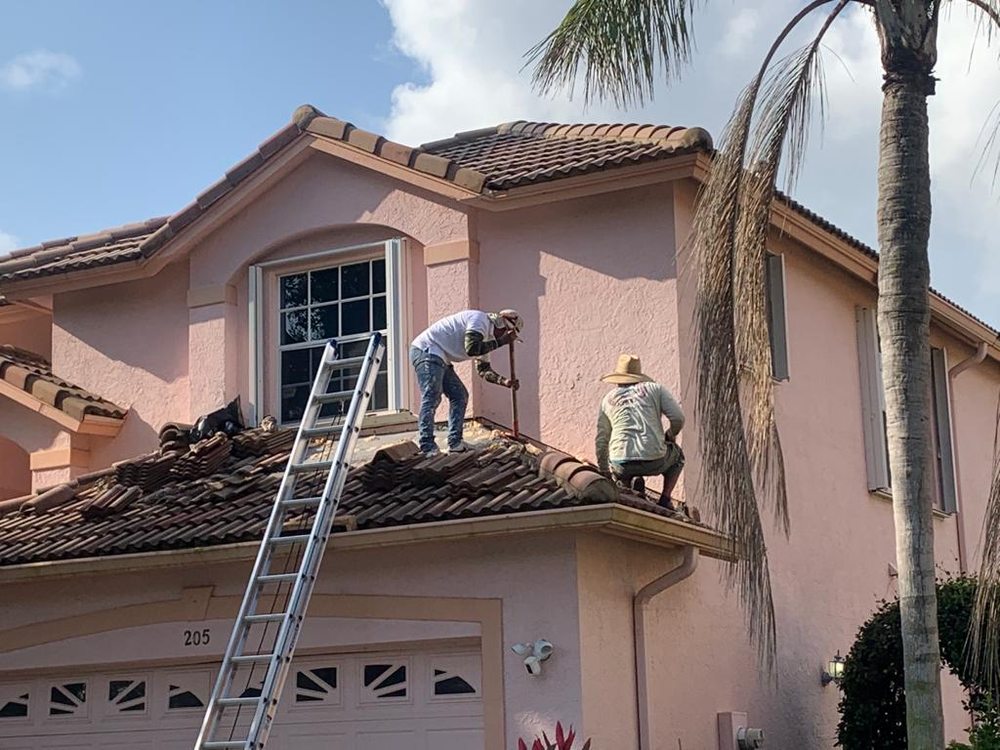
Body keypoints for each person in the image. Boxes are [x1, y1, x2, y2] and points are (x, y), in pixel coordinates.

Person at [410, 309, 523, 455]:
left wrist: (505, 382)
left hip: (441, 357)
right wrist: (502, 342)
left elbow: (483, 370)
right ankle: (427, 446)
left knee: (460, 395)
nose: (506, 338)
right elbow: (472, 348)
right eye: (507, 334)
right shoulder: (480, 320)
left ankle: (455, 443)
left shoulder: (486, 339)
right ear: (502, 324)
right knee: (432, 394)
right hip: (426, 349)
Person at [595, 354, 685, 510]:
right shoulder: (654, 389)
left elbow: (602, 439)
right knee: (678, 457)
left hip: (620, 463)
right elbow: (678, 418)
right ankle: (665, 499)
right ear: (638, 376)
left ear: (618, 378)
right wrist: (670, 435)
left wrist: (604, 470)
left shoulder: (607, 399)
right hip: (654, 460)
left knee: (622, 474)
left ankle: (629, 492)